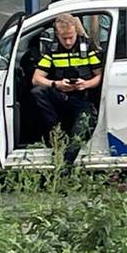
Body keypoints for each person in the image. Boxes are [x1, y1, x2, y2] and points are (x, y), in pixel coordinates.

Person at [30, 14, 103, 165]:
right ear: (57, 34)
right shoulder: (52, 50)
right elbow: (36, 79)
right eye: (64, 38)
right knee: (37, 92)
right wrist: (56, 84)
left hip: (83, 98)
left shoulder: (88, 48)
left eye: (71, 37)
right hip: (61, 98)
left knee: (79, 135)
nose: (68, 42)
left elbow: (100, 77)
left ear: (76, 31)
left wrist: (85, 84)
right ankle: (57, 135)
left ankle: (63, 166)